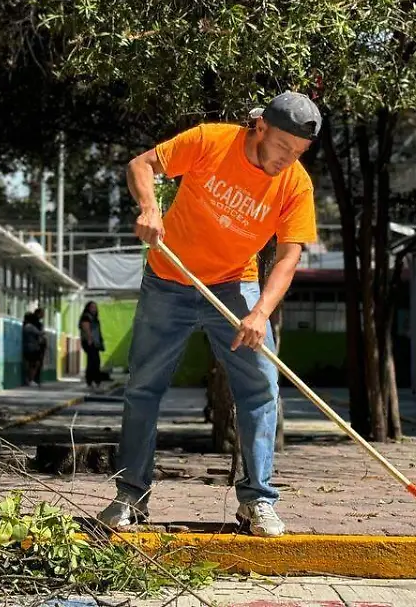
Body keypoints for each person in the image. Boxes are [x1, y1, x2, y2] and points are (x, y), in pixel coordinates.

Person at [97, 91, 320, 537]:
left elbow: (288, 256)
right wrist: (149, 208)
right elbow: (141, 166)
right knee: (143, 388)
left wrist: (260, 312)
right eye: (282, 147)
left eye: (297, 153)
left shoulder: (296, 184)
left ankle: (257, 501)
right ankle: (131, 496)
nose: (286, 160)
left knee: (260, 389)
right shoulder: (210, 141)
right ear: (260, 128)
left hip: (236, 287)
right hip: (168, 280)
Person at [79, 301, 107, 387]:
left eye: (95, 307)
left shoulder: (94, 318)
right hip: (89, 342)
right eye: (92, 307)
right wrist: (90, 339)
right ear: (88, 308)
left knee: (95, 361)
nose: (94, 309)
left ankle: (95, 380)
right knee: (93, 361)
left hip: (95, 342)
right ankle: (91, 380)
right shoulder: (86, 317)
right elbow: (86, 328)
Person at [21, 312, 45, 387]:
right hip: (33, 348)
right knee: (34, 364)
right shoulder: (30, 327)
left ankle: (28, 379)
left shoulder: (24, 326)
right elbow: (40, 333)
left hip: (26, 347)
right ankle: (31, 379)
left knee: (29, 364)